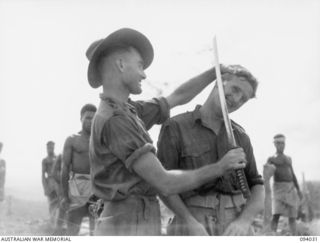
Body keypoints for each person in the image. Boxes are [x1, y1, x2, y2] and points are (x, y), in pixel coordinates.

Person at [87, 28, 248, 236]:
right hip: (127, 223)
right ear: (120, 64)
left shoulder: (129, 110)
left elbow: (177, 96)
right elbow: (165, 182)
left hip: (136, 218)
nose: (144, 74)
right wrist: (220, 166)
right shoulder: (116, 120)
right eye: (139, 65)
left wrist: (213, 73)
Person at [157, 65, 264, 236]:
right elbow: (162, 184)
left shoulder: (241, 136)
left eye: (243, 99)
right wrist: (188, 221)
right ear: (219, 83)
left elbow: (257, 185)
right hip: (192, 221)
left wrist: (245, 221)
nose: (236, 99)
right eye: (235, 89)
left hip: (236, 224)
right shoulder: (176, 127)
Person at [60, 104, 97, 236]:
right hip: (76, 188)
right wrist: (65, 196)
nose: (90, 121)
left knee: (96, 230)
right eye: (87, 117)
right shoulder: (72, 140)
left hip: (96, 188)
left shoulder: (99, 140)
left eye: (93, 118)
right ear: (81, 118)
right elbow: (64, 169)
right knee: (73, 229)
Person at [267, 134, 302, 235]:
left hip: (290, 189)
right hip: (278, 189)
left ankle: (294, 236)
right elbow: (267, 175)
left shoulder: (288, 158)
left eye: (283, 143)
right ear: (275, 144)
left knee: (292, 216)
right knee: (276, 214)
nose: (281, 145)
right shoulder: (271, 159)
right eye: (279, 143)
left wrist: (298, 190)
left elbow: (293, 174)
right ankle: (272, 236)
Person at [42, 141, 59, 220]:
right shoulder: (45, 160)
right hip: (50, 183)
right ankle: (52, 222)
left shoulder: (58, 158)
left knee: (59, 203)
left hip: (58, 183)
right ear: (46, 148)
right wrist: (45, 188)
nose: (50, 149)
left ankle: (58, 223)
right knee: (51, 203)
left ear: (54, 148)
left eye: (51, 147)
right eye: (48, 148)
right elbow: (43, 175)